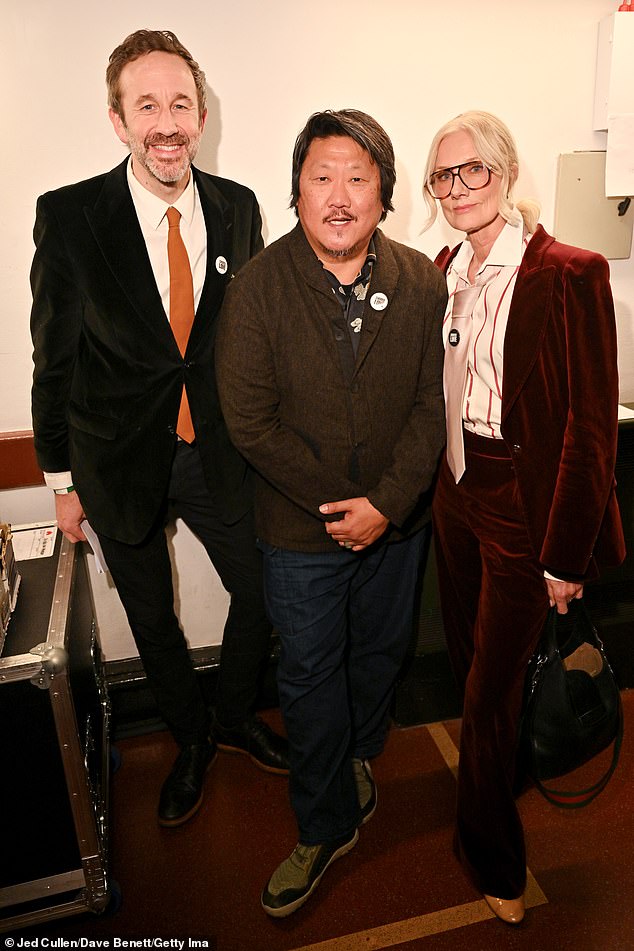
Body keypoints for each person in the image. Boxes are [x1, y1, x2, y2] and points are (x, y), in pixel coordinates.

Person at [30, 29, 288, 829]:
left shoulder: (240, 207)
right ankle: (191, 738)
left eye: (180, 104)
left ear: (201, 113)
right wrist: (61, 482)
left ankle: (236, 712)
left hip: (219, 455)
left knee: (269, 589)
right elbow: (54, 357)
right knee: (152, 616)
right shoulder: (70, 216)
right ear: (118, 120)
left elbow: (252, 337)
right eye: (148, 105)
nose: (167, 122)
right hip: (116, 465)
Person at [216, 109, 447, 916]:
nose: (340, 196)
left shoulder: (422, 279)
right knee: (310, 678)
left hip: (398, 525)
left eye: (359, 177)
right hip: (299, 534)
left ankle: (357, 757)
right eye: (323, 177)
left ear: (384, 192)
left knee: (380, 655)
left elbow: (429, 406)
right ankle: (321, 823)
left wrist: (386, 505)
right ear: (297, 190)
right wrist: (340, 508)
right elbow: (250, 421)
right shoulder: (255, 287)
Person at [422, 110, 626, 924]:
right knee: (470, 656)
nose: (459, 187)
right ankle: (495, 777)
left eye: (474, 170)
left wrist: (565, 555)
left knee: (490, 689)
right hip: (454, 490)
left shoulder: (569, 272)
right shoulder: (444, 268)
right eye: (444, 176)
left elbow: (589, 425)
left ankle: (491, 853)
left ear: (505, 174)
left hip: (518, 498)